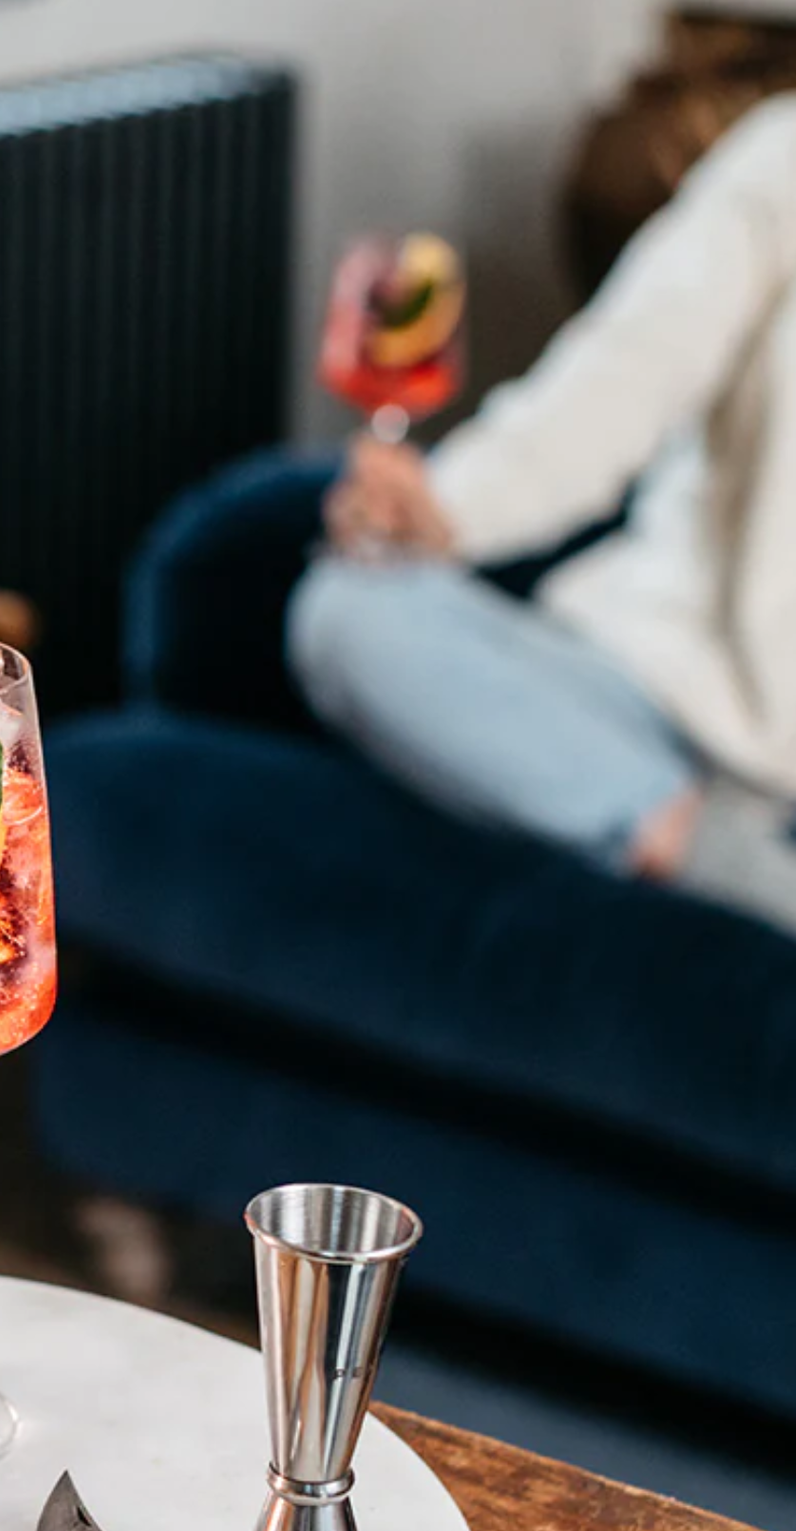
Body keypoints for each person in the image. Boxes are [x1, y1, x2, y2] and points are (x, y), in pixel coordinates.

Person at [288, 95, 796, 931]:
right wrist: (443, 508)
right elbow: (623, 375)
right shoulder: (780, 159)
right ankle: (707, 851)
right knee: (348, 612)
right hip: (636, 680)